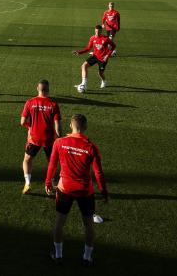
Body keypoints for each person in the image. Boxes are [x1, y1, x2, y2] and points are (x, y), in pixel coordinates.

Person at [45, 114, 108, 267]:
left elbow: (52, 165)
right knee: (88, 225)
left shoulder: (59, 142)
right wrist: (104, 191)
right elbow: (98, 172)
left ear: (70, 126)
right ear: (85, 127)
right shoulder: (91, 147)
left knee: (60, 222)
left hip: (64, 188)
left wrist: (48, 181)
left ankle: (58, 254)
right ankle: (87, 257)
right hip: (85, 191)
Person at [19, 79, 61, 195]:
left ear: (37, 88)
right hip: (49, 139)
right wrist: (59, 138)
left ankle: (27, 184)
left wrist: (30, 127)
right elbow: (57, 125)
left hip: (34, 138)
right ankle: (51, 183)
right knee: (51, 162)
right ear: (48, 90)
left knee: (27, 160)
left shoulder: (30, 102)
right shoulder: (53, 105)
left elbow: (22, 122)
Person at [72, 25, 116, 92]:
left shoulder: (106, 39)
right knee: (83, 66)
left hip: (103, 59)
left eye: (98, 31)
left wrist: (107, 55)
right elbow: (88, 48)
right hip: (95, 56)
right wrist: (79, 52)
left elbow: (113, 46)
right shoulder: (92, 38)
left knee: (100, 73)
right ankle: (84, 84)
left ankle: (104, 81)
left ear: (101, 31)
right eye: (96, 31)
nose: (97, 33)